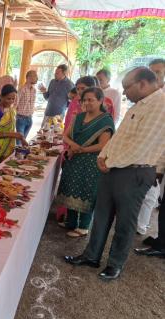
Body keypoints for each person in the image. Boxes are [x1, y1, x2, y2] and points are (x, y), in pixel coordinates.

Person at [65, 67, 165, 281]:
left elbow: (141, 145)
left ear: (143, 84)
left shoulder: (160, 105)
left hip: (134, 171)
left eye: (127, 87)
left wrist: (109, 161)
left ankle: (115, 264)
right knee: (101, 216)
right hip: (114, 167)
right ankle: (91, 256)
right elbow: (119, 138)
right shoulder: (139, 105)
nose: (124, 92)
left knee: (124, 223)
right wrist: (104, 155)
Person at [56, 87, 115, 237]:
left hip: (91, 162)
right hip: (74, 159)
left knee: (86, 192)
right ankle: (70, 222)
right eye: (84, 100)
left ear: (100, 100)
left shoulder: (105, 121)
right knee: (71, 189)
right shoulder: (79, 117)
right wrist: (73, 145)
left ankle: (83, 227)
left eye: (91, 100)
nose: (87, 103)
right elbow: (65, 135)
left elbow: (103, 145)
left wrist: (81, 149)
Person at [135, 58, 165, 235]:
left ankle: (141, 226)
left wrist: (159, 167)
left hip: (157, 160)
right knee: (144, 195)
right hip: (142, 157)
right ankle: (139, 225)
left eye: (158, 72)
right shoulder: (146, 96)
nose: (154, 76)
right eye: (151, 72)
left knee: (151, 195)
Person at [0, 84, 28, 163]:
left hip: (8, 147)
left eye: (13, 99)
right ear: (1, 97)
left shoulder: (10, 109)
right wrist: (14, 135)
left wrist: (21, 138)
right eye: (8, 98)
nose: (11, 101)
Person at [16, 70, 38, 141]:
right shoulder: (22, 89)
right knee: (19, 142)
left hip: (30, 118)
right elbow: (15, 103)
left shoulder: (34, 90)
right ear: (28, 78)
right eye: (35, 76)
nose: (37, 78)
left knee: (24, 142)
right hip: (21, 119)